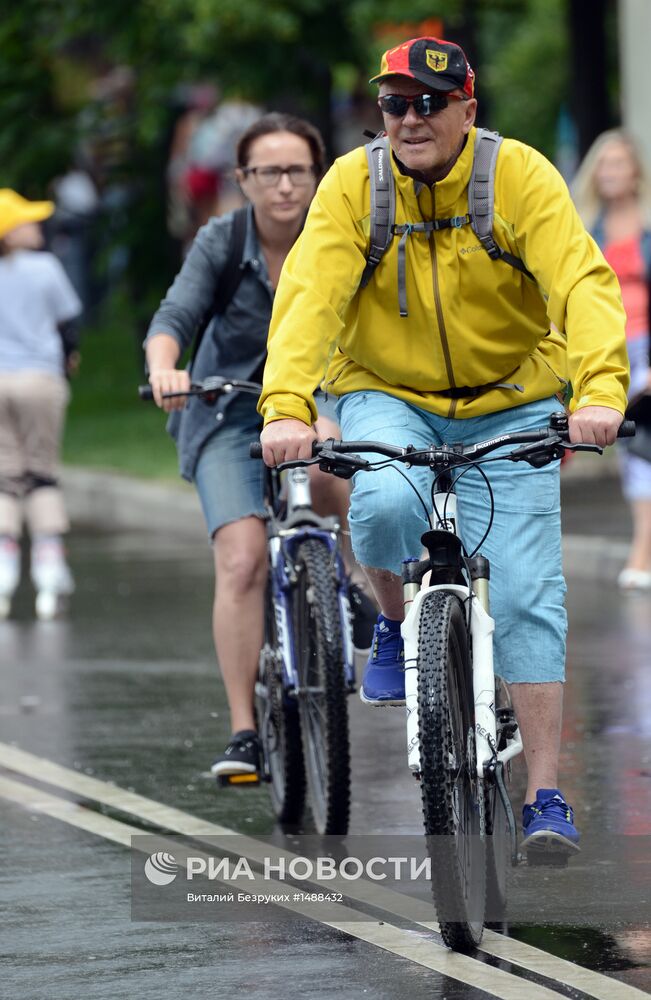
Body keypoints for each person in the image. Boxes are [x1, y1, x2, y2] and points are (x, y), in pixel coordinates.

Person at [258, 37, 630, 856]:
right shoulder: (354, 185)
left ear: (467, 108)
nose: (411, 118)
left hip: (511, 402)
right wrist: (286, 407)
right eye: (394, 103)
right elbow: (309, 296)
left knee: (530, 591)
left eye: (429, 102)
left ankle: (543, 795)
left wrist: (599, 392)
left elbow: (580, 281)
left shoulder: (518, 176)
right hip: (386, 393)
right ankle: (394, 624)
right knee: (384, 500)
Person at [145, 113, 376, 781]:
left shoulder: (340, 232)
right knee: (242, 558)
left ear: (317, 173)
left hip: (320, 401)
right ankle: (244, 731)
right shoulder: (223, 240)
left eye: (298, 170)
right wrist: (167, 368)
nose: (284, 185)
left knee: (335, 464)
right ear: (242, 179)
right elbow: (174, 320)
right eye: (268, 172)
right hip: (231, 411)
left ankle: (349, 579)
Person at [572, 130, 651, 590]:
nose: (612, 173)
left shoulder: (646, 227)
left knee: (642, 454)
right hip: (607, 348)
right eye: (604, 165)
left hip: (645, 347)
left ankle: (642, 551)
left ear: (635, 170)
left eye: (620, 163)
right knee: (632, 452)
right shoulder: (586, 229)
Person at [0, 189, 82, 620]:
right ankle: (49, 564)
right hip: (39, 378)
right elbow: (68, 323)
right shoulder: (46, 267)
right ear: (8, 234)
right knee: (42, 470)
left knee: (5, 474)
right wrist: (70, 357)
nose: (35, 227)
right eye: (25, 222)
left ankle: (4, 564)